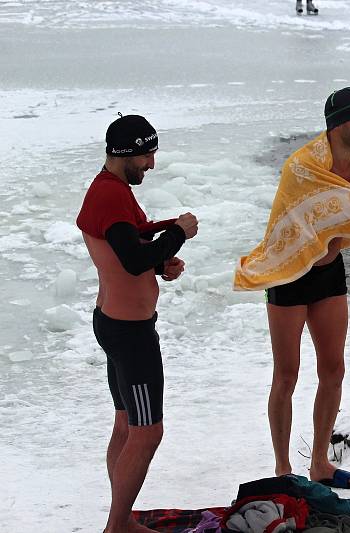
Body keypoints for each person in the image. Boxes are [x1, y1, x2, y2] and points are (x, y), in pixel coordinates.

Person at [235, 87, 350, 489]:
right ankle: (283, 469)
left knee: (333, 369)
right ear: (340, 123)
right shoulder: (302, 168)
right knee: (287, 375)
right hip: (290, 275)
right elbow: (296, 222)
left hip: (330, 275)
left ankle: (319, 464)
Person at [76, 114, 199, 533]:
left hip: (114, 324)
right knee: (147, 433)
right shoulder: (109, 196)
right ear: (125, 153)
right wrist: (178, 233)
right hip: (130, 335)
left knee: (127, 424)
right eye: (146, 154)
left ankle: (122, 518)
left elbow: (131, 244)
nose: (151, 163)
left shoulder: (111, 190)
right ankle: (117, 527)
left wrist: (161, 263)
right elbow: (130, 259)